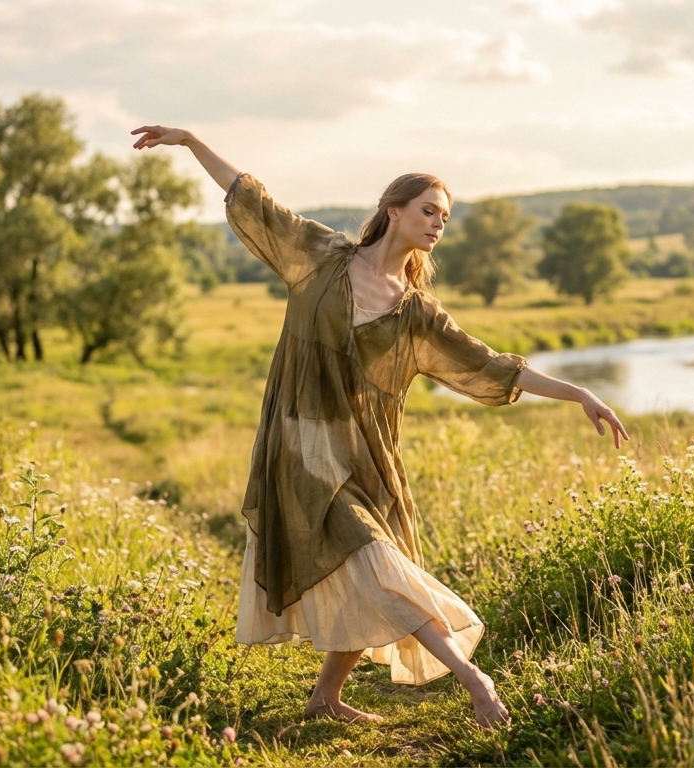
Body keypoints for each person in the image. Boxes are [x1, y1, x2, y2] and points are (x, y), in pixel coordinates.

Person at [131, 124, 629, 728]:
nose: (439, 223)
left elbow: (491, 364)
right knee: (371, 557)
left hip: (364, 455)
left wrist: (578, 391)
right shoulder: (319, 256)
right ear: (392, 211)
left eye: (444, 217)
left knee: (367, 564)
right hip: (300, 443)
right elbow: (251, 196)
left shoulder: (416, 312)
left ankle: (325, 700)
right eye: (428, 210)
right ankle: (475, 680)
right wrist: (189, 140)